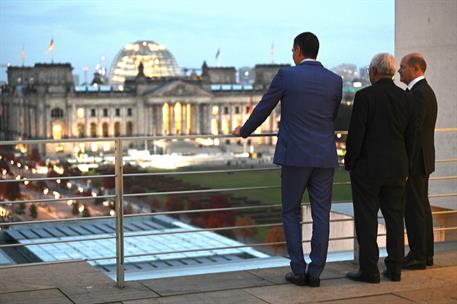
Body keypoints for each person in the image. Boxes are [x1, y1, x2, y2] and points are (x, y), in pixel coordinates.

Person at [233, 32, 342, 287]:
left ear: (298, 50)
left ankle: (298, 269)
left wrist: (245, 131)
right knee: (321, 215)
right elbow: (332, 115)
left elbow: (264, 107)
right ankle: (315, 273)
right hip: (324, 155)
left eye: (293, 51)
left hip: (295, 155)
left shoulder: (287, 76)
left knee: (291, 212)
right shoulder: (335, 80)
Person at [344, 53, 415, 283]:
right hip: (397, 168)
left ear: (374, 71)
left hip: (368, 170)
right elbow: (410, 137)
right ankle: (395, 269)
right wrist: (407, 167)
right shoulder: (406, 97)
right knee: (395, 220)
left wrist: (350, 162)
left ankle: (370, 270)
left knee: (367, 221)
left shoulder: (365, 96)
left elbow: (356, 135)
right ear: (392, 72)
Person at [398, 53, 438, 269]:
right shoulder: (422, 91)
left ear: (415, 69)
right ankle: (425, 254)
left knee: (415, 209)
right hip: (422, 159)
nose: (399, 71)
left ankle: (418, 255)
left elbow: (414, 130)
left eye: (402, 67)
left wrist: (407, 164)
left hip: (416, 161)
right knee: (421, 207)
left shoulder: (419, 94)